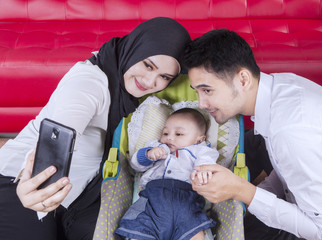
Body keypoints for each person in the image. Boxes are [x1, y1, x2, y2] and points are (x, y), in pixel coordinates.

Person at [0, 17, 191, 240]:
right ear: (135, 49)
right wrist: (30, 184)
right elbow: (59, 135)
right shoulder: (90, 82)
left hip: (80, 195)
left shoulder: (136, 93)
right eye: (148, 65)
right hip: (25, 182)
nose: (150, 82)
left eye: (164, 77)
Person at [183, 28, 322, 240]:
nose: (201, 103)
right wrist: (250, 195)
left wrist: (243, 191)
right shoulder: (280, 87)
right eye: (197, 91)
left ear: (243, 79)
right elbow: (290, 167)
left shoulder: (290, 128)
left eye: (207, 90)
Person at [116, 108, 218, 240]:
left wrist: (203, 171)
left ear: (199, 140)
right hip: (153, 202)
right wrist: (148, 154)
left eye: (179, 134)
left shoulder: (201, 151)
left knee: (194, 230)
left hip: (187, 203)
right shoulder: (156, 147)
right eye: (165, 133)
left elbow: (208, 161)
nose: (169, 137)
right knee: (140, 228)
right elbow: (135, 165)